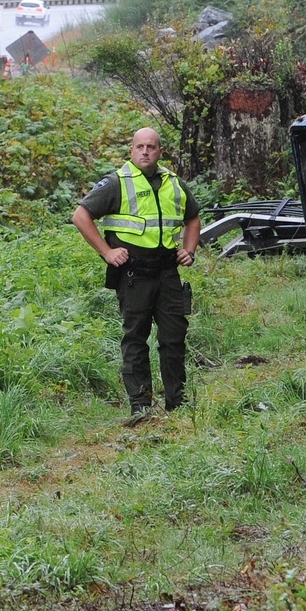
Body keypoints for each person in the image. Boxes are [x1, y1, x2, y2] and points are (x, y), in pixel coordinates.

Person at [73, 127, 202, 423]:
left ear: (160, 152)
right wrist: (107, 252)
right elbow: (81, 216)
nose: (145, 152)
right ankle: (140, 406)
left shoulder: (173, 183)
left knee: (174, 338)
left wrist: (189, 250)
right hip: (133, 275)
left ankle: (176, 403)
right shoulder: (117, 183)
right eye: (140, 147)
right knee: (135, 339)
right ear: (131, 151)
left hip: (168, 273)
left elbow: (192, 217)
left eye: (151, 147)